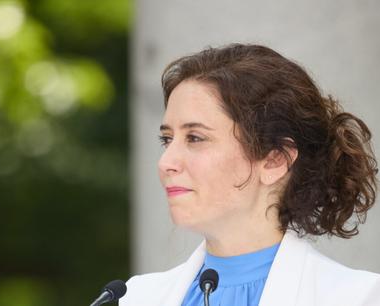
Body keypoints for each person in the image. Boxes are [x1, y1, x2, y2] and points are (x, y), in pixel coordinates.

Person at [120, 44, 380, 306]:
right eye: (167, 139)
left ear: (275, 160)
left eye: (195, 138)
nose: (166, 162)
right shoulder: (137, 297)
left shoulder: (358, 297)